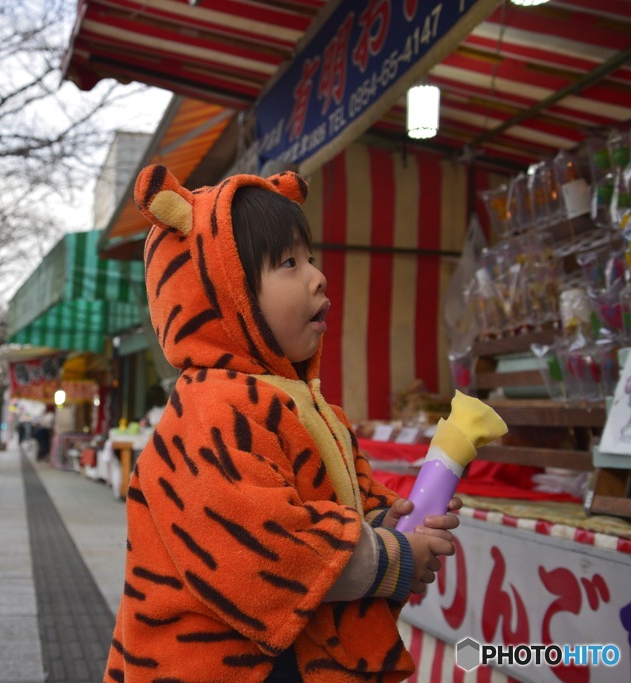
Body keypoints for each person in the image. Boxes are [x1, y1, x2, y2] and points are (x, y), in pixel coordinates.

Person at [104, 166, 459, 682]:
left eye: (310, 258)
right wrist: (395, 557)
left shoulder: (308, 406)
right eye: (289, 263)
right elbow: (260, 555)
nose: (317, 276)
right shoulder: (210, 410)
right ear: (222, 292)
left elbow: (342, 502)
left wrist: (399, 523)